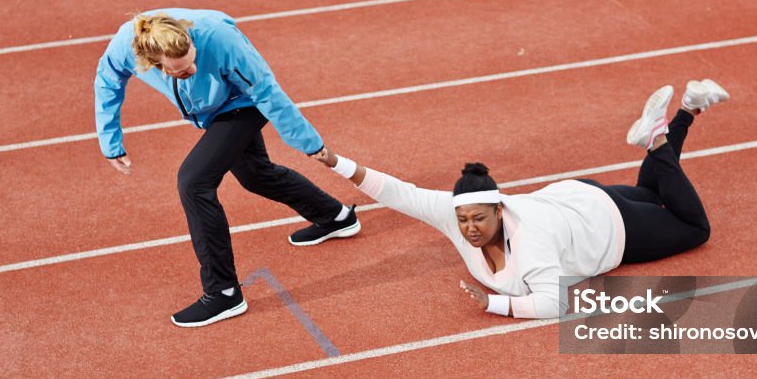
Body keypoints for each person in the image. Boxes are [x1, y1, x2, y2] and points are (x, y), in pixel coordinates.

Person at [310, 80, 729, 318]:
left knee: (695, 228)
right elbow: (398, 192)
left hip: (611, 228)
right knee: (653, 191)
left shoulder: (531, 245)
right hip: (578, 197)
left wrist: (493, 303)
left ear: (499, 208)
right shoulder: (456, 212)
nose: (470, 228)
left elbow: (556, 303)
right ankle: (689, 108)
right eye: (464, 221)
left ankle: (658, 143)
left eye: (479, 219)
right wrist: (336, 163)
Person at [94, 9, 360, 327]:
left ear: (190, 40)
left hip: (243, 102)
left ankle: (223, 293)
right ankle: (335, 217)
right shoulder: (127, 45)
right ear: (154, 64)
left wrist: (309, 143)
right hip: (212, 112)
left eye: (193, 61)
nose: (191, 69)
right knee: (255, 175)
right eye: (181, 72)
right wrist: (110, 142)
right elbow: (107, 81)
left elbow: (267, 91)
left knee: (193, 182)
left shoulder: (220, 40)